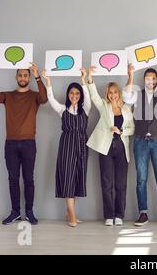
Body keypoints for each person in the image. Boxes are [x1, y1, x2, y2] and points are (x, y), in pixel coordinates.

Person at [0, 62, 47, 225]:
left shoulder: (35, 96)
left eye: (26, 75)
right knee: (13, 178)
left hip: (29, 144)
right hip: (11, 144)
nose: (23, 77)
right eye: (20, 75)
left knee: (28, 179)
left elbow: (44, 98)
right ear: (16, 77)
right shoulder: (8, 95)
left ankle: (30, 212)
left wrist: (38, 77)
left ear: (29, 77)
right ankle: (15, 212)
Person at [122, 60, 157, 227]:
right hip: (140, 141)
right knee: (141, 179)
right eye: (147, 78)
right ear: (144, 81)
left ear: (156, 80)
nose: (150, 81)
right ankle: (143, 213)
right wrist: (130, 75)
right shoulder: (137, 95)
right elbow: (125, 97)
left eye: (152, 78)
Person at [41, 68, 91, 227]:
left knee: (76, 176)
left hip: (82, 146)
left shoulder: (86, 108)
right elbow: (51, 98)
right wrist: (48, 82)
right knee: (68, 175)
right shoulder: (62, 109)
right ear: (68, 95)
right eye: (71, 93)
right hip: (67, 146)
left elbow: (88, 95)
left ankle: (69, 210)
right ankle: (72, 214)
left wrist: (83, 79)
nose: (74, 96)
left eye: (77, 93)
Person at [86, 66, 134, 226]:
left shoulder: (126, 109)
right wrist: (90, 76)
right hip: (105, 147)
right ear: (107, 94)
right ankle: (109, 215)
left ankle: (119, 215)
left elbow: (132, 128)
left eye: (115, 92)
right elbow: (93, 95)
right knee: (107, 183)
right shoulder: (104, 106)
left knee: (121, 184)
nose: (113, 95)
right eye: (110, 92)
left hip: (121, 147)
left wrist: (120, 131)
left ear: (119, 93)